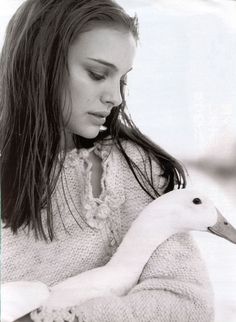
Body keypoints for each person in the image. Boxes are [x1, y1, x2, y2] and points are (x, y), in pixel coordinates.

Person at [1, 0, 214, 321]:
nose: (116, 97)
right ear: (38, 65)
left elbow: (187, 304)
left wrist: (56, 318)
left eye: (122, 80)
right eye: (98, 74)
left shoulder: (132, 168)